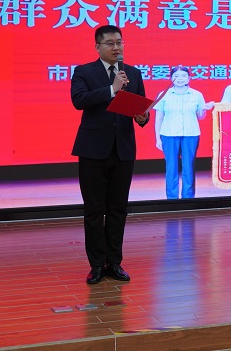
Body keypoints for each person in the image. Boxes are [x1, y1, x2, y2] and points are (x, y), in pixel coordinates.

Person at [71, 25, 149, 285]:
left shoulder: (133, 73)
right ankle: (96, 264)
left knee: (118, 208)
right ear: (98, 47)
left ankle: (114, 262)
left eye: (120, 42)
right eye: (110, 43)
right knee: (94, 209)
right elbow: (79, 100)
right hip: (93, 150)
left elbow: (140, 106)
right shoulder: (84, 72)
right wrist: (112, 89)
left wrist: (143, 117)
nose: (117, 47)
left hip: (123, 149)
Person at [153, 65, 214, 199]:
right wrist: (157, 138)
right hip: (168, 135)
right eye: (176, 76)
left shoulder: (197, 95)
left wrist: (204, 109)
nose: (180, 79)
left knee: (189, 167)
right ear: (171, 78)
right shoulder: (163, 95)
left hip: (191, 135)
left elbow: (200, 116)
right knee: (171, 168)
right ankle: (172, 199)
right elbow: (159, 119)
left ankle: (188, 198)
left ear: (189, 78)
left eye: (183, 76)